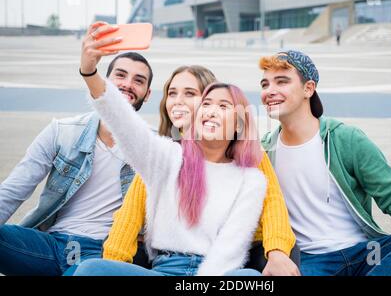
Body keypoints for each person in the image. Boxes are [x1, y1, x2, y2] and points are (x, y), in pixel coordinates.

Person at [73, 23, 269, 276]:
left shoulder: (252, 179)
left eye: (223, 106)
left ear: (239, 124)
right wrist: (90, 73)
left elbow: (230, 249)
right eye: (207, 103)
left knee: (250, 278)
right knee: (91, 270)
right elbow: (125, 123)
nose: (211, 111)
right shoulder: (168, 157)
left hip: (215, 274)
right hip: (163, 269)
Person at [258, 50, 391, 276]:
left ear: (308, 88)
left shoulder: (346, 139)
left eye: (281, 81)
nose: (270, 91)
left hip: (366, 253)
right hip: (311, 262)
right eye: (264, 84)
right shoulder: (264, 152)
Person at [102, 65, 299, 276]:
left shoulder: (247, 158)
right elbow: (129, 216)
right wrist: (113, 266)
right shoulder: (166, 154)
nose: (178, 101)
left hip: (231, 260)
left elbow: (273, 205)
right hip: (167, 263)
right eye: (172, 93)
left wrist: (277, 251)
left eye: (190, 94)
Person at [0, 23, 153, 276]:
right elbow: (14, 190)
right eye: (120, 75)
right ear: (105, 81)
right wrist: (88, 67)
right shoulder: (62, 132)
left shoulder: (153, 148)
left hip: (100, 254)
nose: (128, 84)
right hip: (49, 244)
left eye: (139, 81)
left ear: (147, 94)